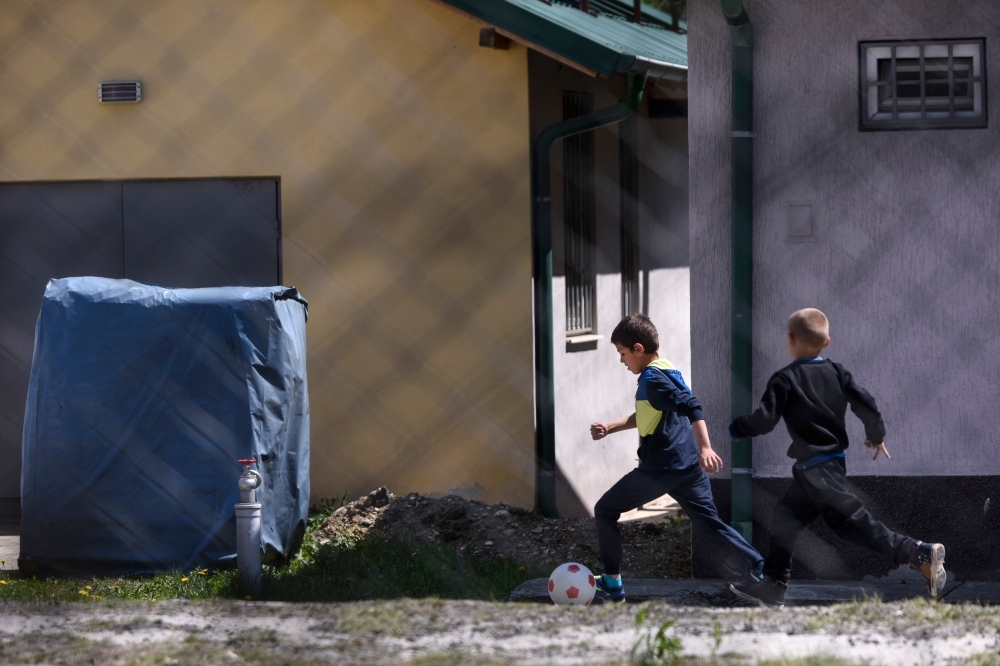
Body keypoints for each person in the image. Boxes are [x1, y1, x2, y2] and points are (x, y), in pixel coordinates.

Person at [729, 308, 946, 607]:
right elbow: (866, 404)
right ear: (827, 341)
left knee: (853, 524)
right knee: (785, 519)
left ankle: (916, 552)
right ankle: (774, 584)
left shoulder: (785, 379)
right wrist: (876, 436)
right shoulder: (838, 373)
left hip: (818, 471)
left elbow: (765, 420)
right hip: (820, 468)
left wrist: (738, 427)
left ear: (789, 339)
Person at [589, 313, 765, 602]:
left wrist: (707, 447)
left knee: (605, 510)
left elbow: (692, 406)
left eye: (622, 354)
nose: (622, 361)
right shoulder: (666, 370)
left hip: (661, 468)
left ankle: (611, 583)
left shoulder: (651, 379)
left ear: (638, 349)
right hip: (688, 467)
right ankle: (762, 573)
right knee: (711, 525)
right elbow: (648, 413)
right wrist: (610, 427)